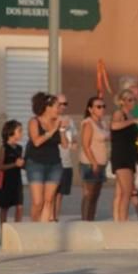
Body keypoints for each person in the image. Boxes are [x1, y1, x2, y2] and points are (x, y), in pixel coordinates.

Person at [25, 92, 68, 223]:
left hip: (54, 164)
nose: (59, 109)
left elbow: (65, 145)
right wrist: (52, 130)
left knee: (48, 201)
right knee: (38, 202)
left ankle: (43, 231)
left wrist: (61, 130)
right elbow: (36, 141)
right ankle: (34, 228)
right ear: (47, 107)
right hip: (35, 164)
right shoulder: (34, 121)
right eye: (57, 106)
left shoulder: (57, 123)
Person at [109, 89, 138, 221]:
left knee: (120, 192)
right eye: (129, 99)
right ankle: (123, 221)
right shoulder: (119, 113)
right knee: (127, 191)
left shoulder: (131, 115)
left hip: (130, 155)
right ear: (121, 101)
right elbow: (114, 126)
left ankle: (118, 220)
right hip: (121, 156)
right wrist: (134, 122)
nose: (132, 102)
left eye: (133, 99)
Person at [79, 96, 110, 221]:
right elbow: (85, 145)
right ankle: (85, 221)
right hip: (90, 163)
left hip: (101, 163)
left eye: (103, 106)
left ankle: (90, 220)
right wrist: (93, 162)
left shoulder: (102, 123)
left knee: (96, 195)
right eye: (98, 106)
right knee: (89, 195)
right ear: (90, 109)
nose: (101, 109)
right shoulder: (88, 123)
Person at [0, 120, 25, 224]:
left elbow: (21, 164)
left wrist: (24, 164)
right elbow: (0, 166)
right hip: (6, 181)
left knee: (20, 206)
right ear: (11, 132)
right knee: (4, 208)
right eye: (20, 131)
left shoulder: (19, 148)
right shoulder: (4, 148)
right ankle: (4, 231)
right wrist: (14, 164)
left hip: (17, 181)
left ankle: (17, 228)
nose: (22, 133)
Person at [54, 93, 76, 221]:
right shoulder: (50, 120)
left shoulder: (70, 120)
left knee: (60, 194)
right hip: (54, 162)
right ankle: (49, 218)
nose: (62, 106)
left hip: (66, 162)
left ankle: (55, 217)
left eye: (65, 104)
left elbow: (74, 138)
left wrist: (74, 143)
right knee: (51, 193)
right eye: (60, 104)